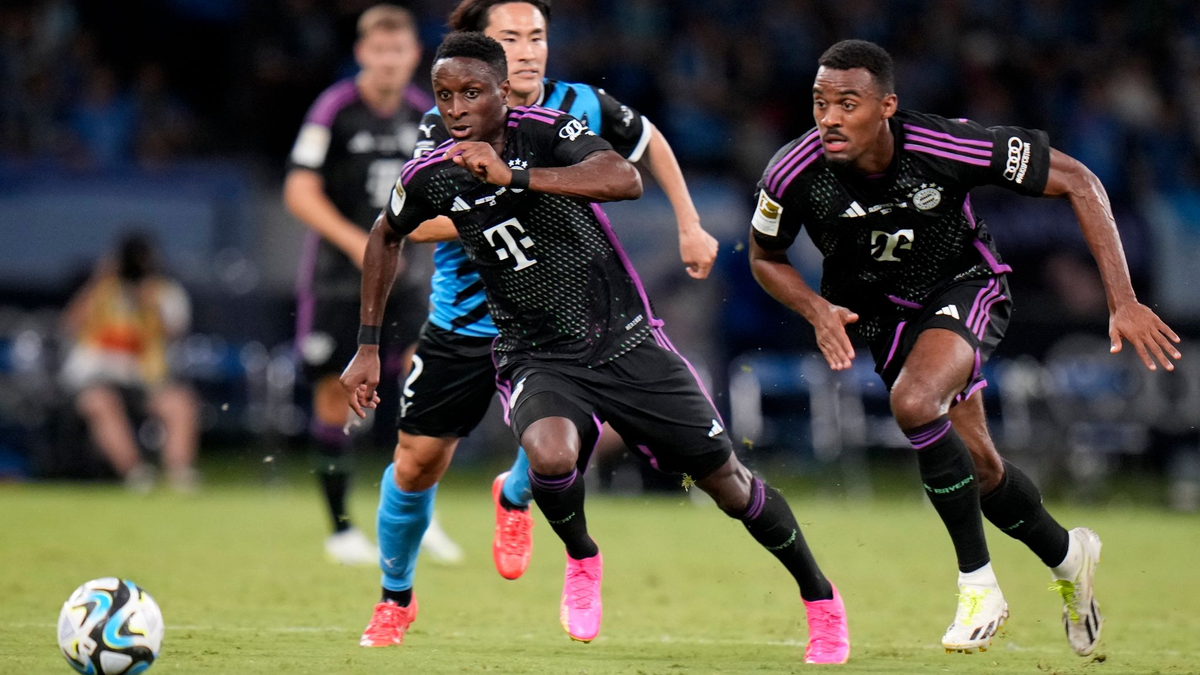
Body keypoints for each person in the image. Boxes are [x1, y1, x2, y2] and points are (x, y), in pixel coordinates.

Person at [341, 32, 850, 663]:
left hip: (627, 342)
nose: (455, 108)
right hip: (535, 354)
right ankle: (582, 557)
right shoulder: (432, 173)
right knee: (550, 454)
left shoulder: (549, 131)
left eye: (472, 93)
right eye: (445, 95)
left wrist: (516, 176)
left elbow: (623, 178)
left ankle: (821, 598)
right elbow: (384, 235)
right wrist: (367, 345)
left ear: (503, 91)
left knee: (730, 486)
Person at [747, 39, 1183, 655]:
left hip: (965, 286)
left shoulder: (944, 145)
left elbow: (1080, 182)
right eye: (820, 103)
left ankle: (979, 587)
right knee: (980, 469)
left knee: (915, 401)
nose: (830, 118)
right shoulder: (792, 173)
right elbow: (765, 257)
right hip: (883, 318)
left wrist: (1123, 299)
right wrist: (815, 308)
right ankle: (1069, 559)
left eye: (848, 103)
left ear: (887, 106)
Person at [354, 0, 722, 648]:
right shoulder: (445, 122)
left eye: (537, 37)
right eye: (510, 39)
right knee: (416, 463)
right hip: (468, 320)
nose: (527, 51)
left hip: (563, 324)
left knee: (577, 422)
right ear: (483, 55)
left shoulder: (580, 105)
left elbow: (649, 145)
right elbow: (415, 222)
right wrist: (495, 201)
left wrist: (689, 222)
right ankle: (395, 599)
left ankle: (519, 494)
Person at [284, 4, 461, 567]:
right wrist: (355, 242)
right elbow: (299, 191)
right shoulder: (334, 110)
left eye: (399, 50)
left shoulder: (424, 115)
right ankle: (340, 528)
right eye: (378, 50)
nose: (388, 61)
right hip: (337, 282)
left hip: (404, 280)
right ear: (362, 54)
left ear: (415, 56)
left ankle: (414, 511)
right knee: (336, 396)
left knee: (419, 382)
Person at [61, 233, 199, 492]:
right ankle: (136, 474)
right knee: (100, 402)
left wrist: (146, 300)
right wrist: (100, 280)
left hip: (144, 377)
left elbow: (176, 332)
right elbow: (70, 324)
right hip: (98, 375)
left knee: (180, 404)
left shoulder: (164, 292)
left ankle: (179, 474)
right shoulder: (101, 290)